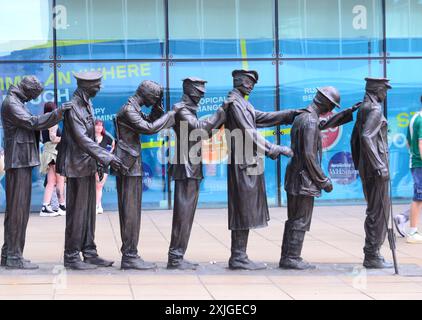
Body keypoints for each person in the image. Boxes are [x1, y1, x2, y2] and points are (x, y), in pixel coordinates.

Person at [224, 69, 300, 270]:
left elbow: (261, 117)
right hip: (242, 164)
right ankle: (238, 256)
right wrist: (275, 148)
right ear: (239, 80)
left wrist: (290, 114)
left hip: (248, 163)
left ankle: (240, 255)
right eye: (248, 81)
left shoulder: (243, 103)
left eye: (253, 82)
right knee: (243, 209)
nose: (251, 85)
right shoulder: (234, 104)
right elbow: (249, 133)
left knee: (246, 209)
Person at [281, 87, 360, 270]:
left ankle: (288, 256)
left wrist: (347, 113)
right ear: (324, 102)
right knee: (301, 219)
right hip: (303, 179)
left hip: (295, 177)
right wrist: (323, 180)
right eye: (331, 106)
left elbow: (323, 123)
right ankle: (292, 257)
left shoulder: (305, 117)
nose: (331, 110)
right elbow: (309, 156)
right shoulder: (309, 121)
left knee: (294, 219)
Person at [56, 71, 123, 270]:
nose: (99, 88)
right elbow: (81, 139)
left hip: (87, 164)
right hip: (76, 166)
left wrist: (98, 162)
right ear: (86, 86)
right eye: (97, 85)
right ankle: (71, 255)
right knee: (77, 212)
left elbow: (92, 137)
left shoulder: (87, 103)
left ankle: (89, 251)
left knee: (89, 213)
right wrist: (107, 157)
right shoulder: (74, 106)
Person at [1, 76, 70, 269]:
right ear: (28, 90)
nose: (34, 99)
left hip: (21, 160)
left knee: (17, 211)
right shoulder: (11, 103)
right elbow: (32, 122)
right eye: (34, 95)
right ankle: (14, 256)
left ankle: (10, 254)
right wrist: (57, 113)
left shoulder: (16, 101)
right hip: (18, 161)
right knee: (18, 211)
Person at [167, 77, 229, 270]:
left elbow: (204, 133)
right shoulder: (182, 110)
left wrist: (221, 119)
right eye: (199, 92)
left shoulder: (189, 110)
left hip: (191, 167)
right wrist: (221, 111)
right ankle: (175, 257)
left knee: (187, 214)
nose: (202, 95)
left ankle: (178, 255)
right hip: (185, 167)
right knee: (183, 214)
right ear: (190, 91)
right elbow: (201, 130)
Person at [113, 80, 175, 270]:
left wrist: (158, 109)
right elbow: (148, 129)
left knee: (132, 211)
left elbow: (148, 121)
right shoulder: (129, 110)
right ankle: (130, 256)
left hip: (132, 165)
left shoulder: (134, 108)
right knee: (130, 212)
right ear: (147, 94)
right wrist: (170, 116)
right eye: (155, 98)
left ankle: (131, 253)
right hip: (129, 166)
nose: (155, 100)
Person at [351, 77, 393, 269]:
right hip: (376, 169)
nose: (385, 93)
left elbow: (354, 140)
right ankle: (372, 254)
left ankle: (372, 252)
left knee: (374, 209)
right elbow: (366, 137)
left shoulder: (364, 107)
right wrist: (379, 165)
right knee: (379, 210)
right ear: (377, 90)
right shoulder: (375, 109)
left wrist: (359, 163)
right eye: (384, 90)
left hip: (367, 167)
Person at [394, 95, 422, 243]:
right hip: (419, 164)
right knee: (419, 197)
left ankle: (403, 217)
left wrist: (414, 155)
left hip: (416, 162)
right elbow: (420, 144)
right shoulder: (421, 120)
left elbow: (408, 142)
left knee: (420, 197)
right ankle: (412, 232)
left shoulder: (414, 118)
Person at [39, 102, 66, 217]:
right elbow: (53, 138)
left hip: (49, 153)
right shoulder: (52, 122)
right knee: (60, 180)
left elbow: (43, 139)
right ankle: (62, 206)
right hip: (54, 153)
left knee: (51, 182)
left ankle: (45, 206)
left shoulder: (44, 122)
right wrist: (65, 138)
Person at [94, 119, 115, 214]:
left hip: (104, 165)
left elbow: (113, 144)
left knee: (99, 185)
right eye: (97, 125)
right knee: (97, 186)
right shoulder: (91, 138)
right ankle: (98, 205)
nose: (99, 127)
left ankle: (98, 205)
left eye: (101, 125)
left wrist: (108, 154)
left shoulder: (106, 137)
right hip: (93, 164)